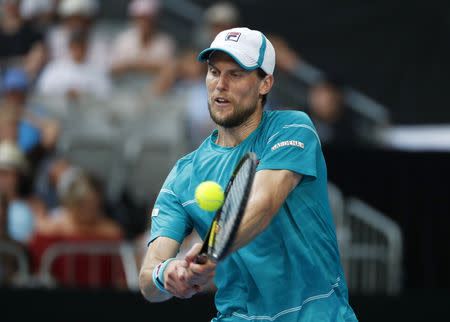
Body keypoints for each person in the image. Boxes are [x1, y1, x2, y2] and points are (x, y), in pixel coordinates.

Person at [139, 27, 358, 321]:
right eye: (214, 72)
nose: (220, 84)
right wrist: (167, 273)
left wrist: (208, 253)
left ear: (265, 83)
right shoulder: (183, 175)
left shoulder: (292, 128)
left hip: (316, 315)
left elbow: (263, 203)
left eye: (236, 74)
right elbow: (147, 276)